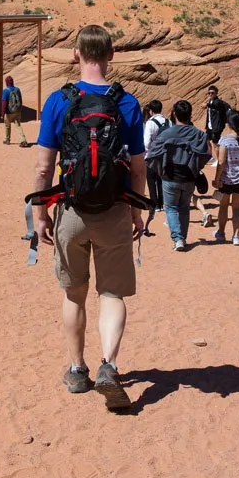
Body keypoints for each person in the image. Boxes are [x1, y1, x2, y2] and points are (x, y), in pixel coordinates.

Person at [32, 25, 147, 410]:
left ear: (76, 54)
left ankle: (77, 370)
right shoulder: (127, 103)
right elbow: (138, 169)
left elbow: (44, 168)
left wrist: (38, 214)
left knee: (74, 293)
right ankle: (109, 366)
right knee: (112, 293)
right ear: (111, 55)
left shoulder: (58, 101)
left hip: (71, 210)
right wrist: (137, 211)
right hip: (113, 210)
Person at [145, 100, 210, 251]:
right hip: (189, 177)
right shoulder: (198, 134)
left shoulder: (167, 133)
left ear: (174, 114)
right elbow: (207, 153)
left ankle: (178, 239)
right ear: (190, 114)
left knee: (171, 208)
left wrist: (160, 170)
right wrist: (196, 166)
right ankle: (183, 238)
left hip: (169, 176)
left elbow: (151, 154)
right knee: (184, 208)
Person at [213, 111, 239, 245]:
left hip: (226, 179)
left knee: (223, 206)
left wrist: (217, 179)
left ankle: (221, 233)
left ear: (229, 124)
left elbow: (221, 162)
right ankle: (236, 236)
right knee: (237, 208)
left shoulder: (225, 140)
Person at [142, 100, 170, 235]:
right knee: (161, 179)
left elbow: (146, 142)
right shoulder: (168, 122)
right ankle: (162, 203)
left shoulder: (150, 123)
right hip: (164, 155)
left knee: (151, 180)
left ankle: (154, 205)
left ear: (151, 111)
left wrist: (148, 151)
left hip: (151, 156)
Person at [203, 85, 231, 166]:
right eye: (209, 93)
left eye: (212, 93)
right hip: (209, 126)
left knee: (215, 144)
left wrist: (207, 105)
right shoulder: (210, 101)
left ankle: (219, 160)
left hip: (217, 127)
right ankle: (211, 158)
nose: (210, 94)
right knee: (207, 141)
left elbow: (216, 105)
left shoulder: (218, 102)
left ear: (216, 93)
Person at [1, 76, 27, 145]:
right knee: (18, 126)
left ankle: (7, 140)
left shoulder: (5, 91)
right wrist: (20, 109)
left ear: (6, 82)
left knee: (7, 126)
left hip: (9, 112)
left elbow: (4, 103)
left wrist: (2, 114)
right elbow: (20, 101)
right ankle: (23, 140)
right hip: (17, 111)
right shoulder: (17, 90)